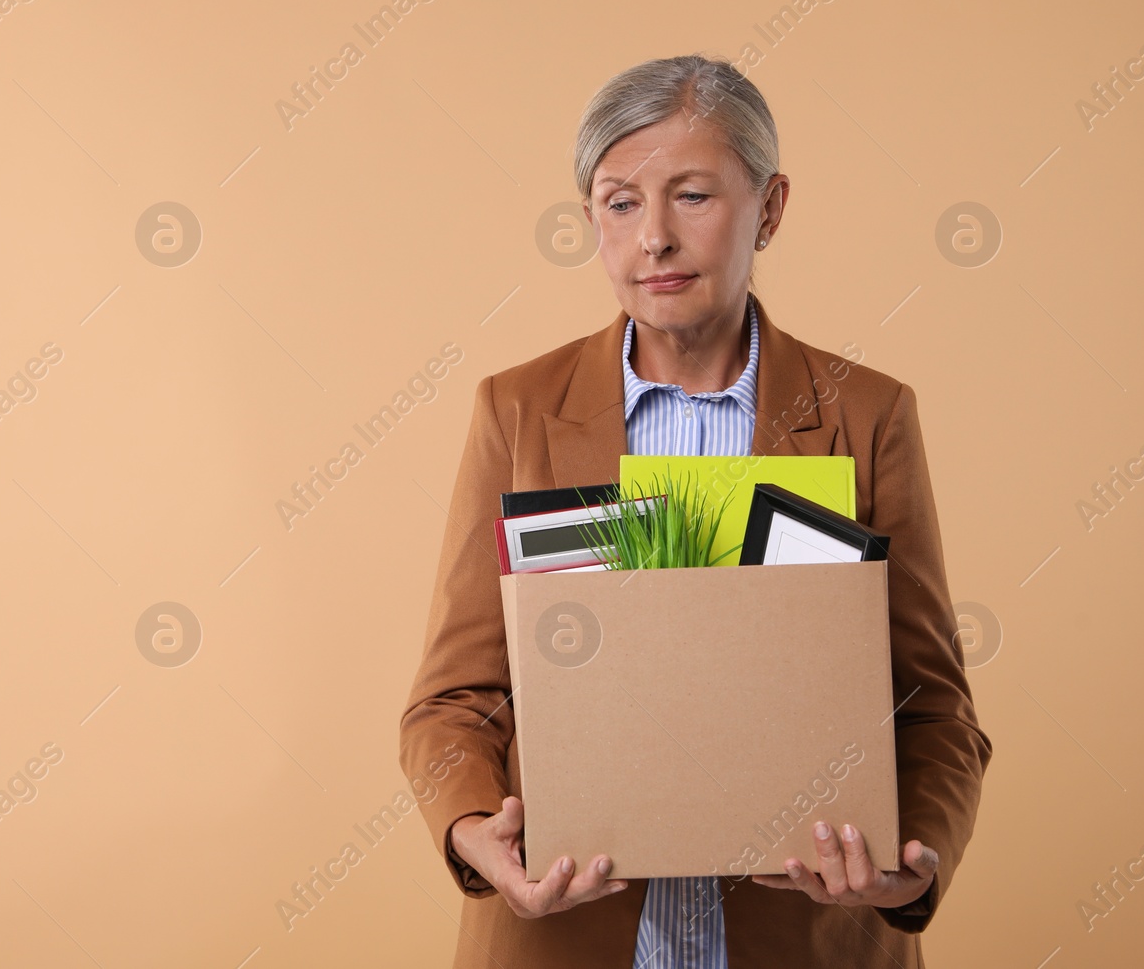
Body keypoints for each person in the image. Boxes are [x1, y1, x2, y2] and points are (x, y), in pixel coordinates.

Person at [398, 54, 991, 968]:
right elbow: (452, 700)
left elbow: (933, 708)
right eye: (619, 202)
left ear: (773, 206)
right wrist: (476, 829)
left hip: (806, 940)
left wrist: (908, 870)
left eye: (693, 196)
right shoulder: (515, 411)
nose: (654, 239)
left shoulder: (867, 415)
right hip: (564, 935)